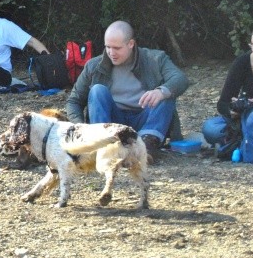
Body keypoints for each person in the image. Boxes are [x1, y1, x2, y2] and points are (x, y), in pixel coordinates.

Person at [65, 20, 189, 162]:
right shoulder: (94, 66)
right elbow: (73, 101)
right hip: (112, 123)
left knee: (166, 94)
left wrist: (160, 92)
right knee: (97, 90)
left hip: (145, 118)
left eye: (117, 48)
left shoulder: (155, 59)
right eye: (108, 47)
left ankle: (145, 148)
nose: (111, 53)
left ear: (131, 44)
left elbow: (180, 78)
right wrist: (81, 128)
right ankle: (104, 148)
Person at [202, 24, 253, 160]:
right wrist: (232, 110)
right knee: (210, 128)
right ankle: (244, 139)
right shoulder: (242, 62)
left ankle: (242, 142)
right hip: (243, 118)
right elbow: (223, 102)